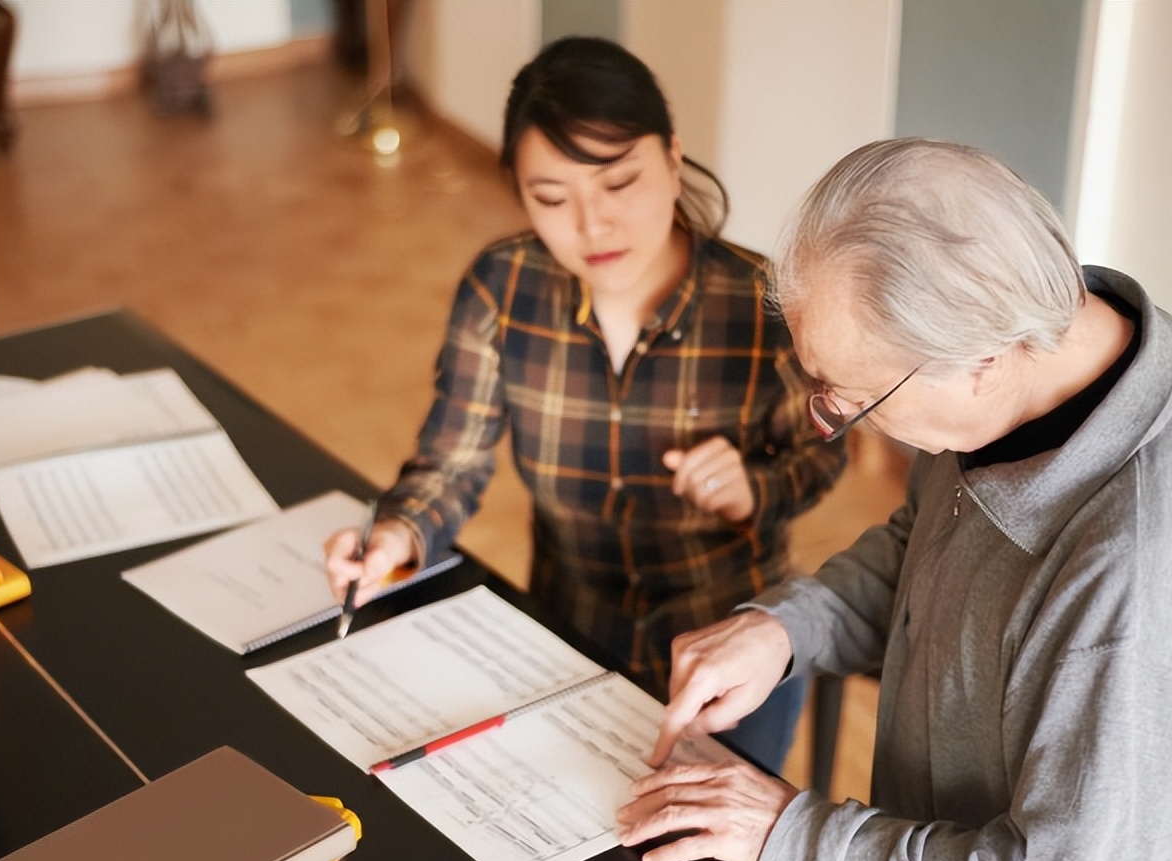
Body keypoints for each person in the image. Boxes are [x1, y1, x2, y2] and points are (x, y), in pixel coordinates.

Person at [616, 137, 1172, 861]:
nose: (830, 418)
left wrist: (790, 838)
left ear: (981, 360)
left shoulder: (1139, 588)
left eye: (847, 397)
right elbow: (926, 542)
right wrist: (787, 632)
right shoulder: (1057, 354)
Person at [324, 37, 846, 771]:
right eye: (551, 198)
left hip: (728, 655)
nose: (592, 226)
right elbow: (452, 460)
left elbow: (825, 451)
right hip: (565, 635)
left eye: (618, 184)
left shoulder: (761, 305)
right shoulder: (500, 292)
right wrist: (399, 535)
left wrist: (753, 489)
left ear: (671, 157)